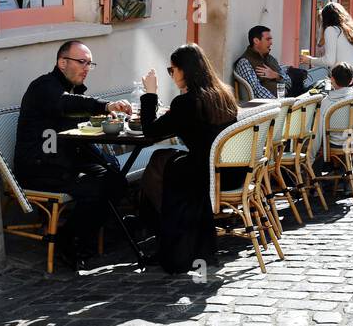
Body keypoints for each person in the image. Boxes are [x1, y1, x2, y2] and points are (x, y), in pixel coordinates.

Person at [13, 40, 134, 269]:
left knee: (116, 181)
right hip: (39, 167)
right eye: (81, 62)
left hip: (66, 163)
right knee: (95, 188)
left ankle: (81, 238)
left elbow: (80, 132)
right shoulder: (44, 87)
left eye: (89, 63)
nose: (86, 68)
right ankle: (67, 240)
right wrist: (106, 106)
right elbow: (67, 104)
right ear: (62, 62)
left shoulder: (74, 90)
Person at [137, 44, 240, 272]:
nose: (171, 75)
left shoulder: (186, 102)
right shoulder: (223, 94)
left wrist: (151, 94)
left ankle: (163, 230)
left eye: (171, 70)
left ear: (184, 70)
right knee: (161, 160)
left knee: (160, 167)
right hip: (231, 170)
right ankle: (166, 229)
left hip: (203, 173)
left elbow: (151, 132)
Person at [302, 2, 353, 92]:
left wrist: (310, 60)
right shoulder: (350, 31)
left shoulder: (331, 30)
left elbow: (330, 60)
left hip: (345, 82)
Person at [313, 62, 353, 163]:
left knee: (311, 138)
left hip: (337, 143)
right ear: (351, 80)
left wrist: (311, 156)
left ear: (332, 79)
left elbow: (318, 132)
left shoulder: (327, 102)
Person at [234, 26, 306, 101]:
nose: (271, 43)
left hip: (286, 101)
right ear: (256, 41)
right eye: (268, 39)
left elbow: (289, 83)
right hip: (269, 107)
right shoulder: (244, 62)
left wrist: (276, 76)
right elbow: (256, 90)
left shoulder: (270, 59)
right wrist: (278, 103)